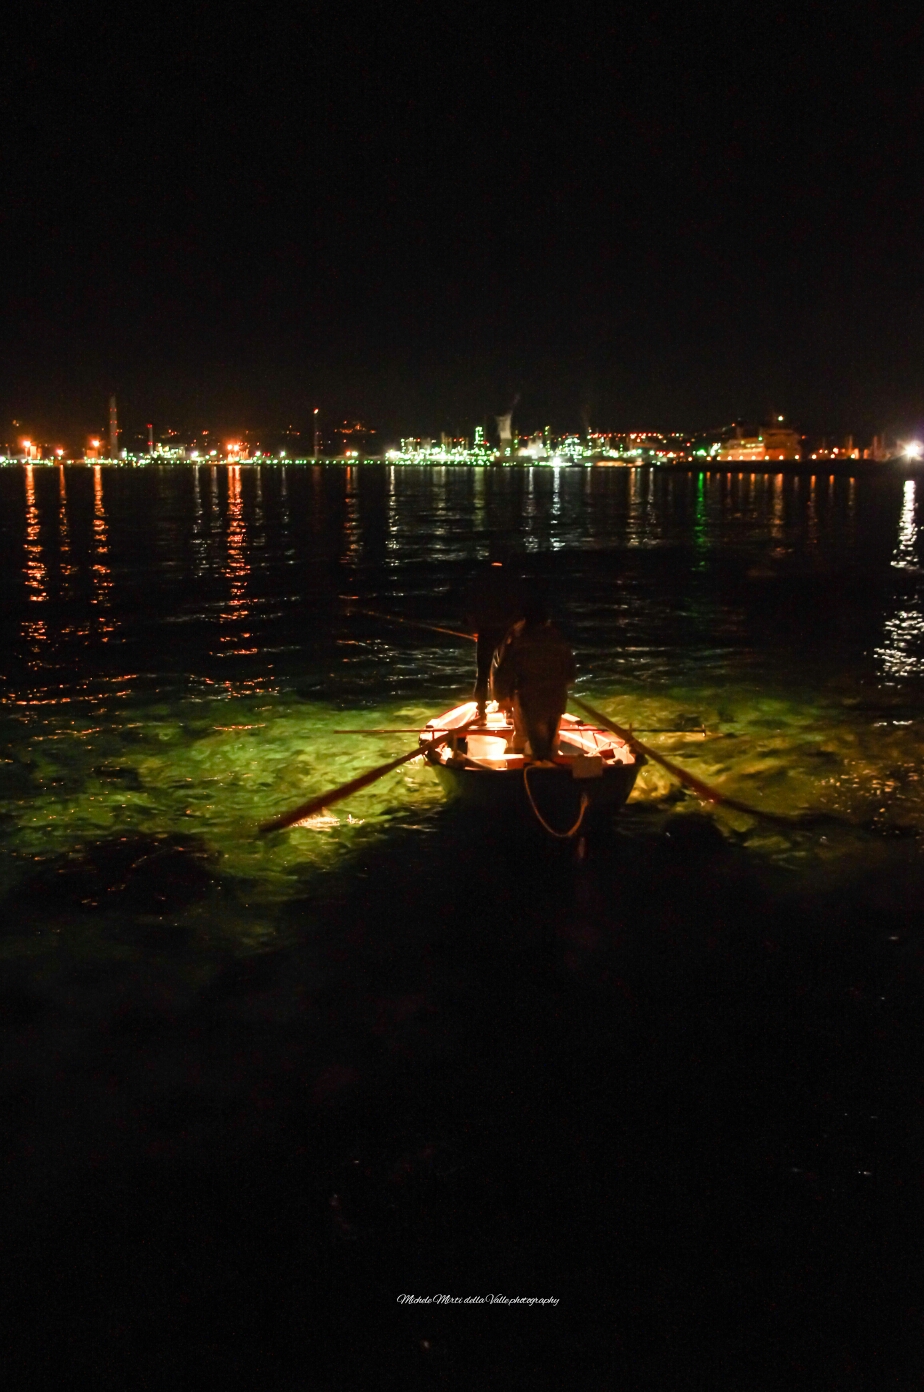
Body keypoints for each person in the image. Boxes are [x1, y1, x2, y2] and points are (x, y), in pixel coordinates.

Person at [490, 590, 576, 761]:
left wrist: (500, 696)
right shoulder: (558, 639)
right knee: (550, 743)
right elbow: (571, 674)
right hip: (556, 699)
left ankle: (532, 772)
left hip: (531, 701)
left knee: (538, 748)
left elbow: (505, 670)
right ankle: (550, 772)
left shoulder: (520, 640)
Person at [461, 554, 526, 718]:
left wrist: (474, 628)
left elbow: (470, 606)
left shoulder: (480, 579)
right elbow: (519, 606)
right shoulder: (512, 579)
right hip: (506, 630)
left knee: (483, 670)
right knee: (507, 669)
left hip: (486, 630)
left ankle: (481, 707)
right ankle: (509, 708)